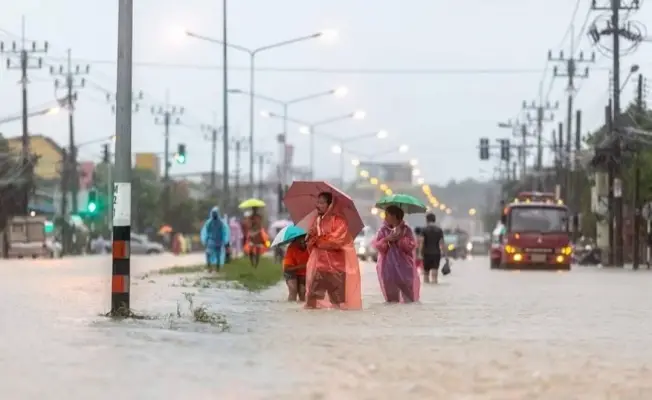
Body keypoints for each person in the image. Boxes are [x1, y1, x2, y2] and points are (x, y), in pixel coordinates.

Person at [305, 192, 362, 310]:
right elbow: (311, 244)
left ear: (330, 205)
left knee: (338, 304)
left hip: (337, 269)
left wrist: (318, 240)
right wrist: (310, 238)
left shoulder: (340, 222)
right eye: (318, 202)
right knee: (311, 301)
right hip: (320, 267)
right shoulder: (317, 221)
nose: (318, 205)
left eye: (321, 203)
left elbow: (336, 242)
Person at [372, 206, 420, 303]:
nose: (385, 217)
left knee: (409, 299)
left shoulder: (406, 230)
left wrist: (400, 239)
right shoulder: (383, 230)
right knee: (391, 300)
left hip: (405, 267)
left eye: (387, 215)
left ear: (395, 216)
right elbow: (377, 246)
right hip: (388, 268)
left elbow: (411, 246)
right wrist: (387, 239)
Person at [200, 206, 230, 272]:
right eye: (213, 213)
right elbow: (206, 232)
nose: (214, 214)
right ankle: (210, 268)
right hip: (212, 241)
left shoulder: (221, 223)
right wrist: (206, 240)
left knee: (217, 255)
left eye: (215, 213)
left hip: (218, 241)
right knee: (208, 254)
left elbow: (224, 232)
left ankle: (216, 269)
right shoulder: (210, 222)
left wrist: (224, 240)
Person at [282, 235, 309, 302]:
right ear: (296, 241)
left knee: (302, 292)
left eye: (305, 241)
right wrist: (302, 266)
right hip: (291, 271)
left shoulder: (311, 247)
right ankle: (290, 307)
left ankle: (302, 308)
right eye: (300, 241)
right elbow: (287, 269)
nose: (303, 243)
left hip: (304, 272)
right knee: (293, 289)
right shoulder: (291, 248)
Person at [419, 212, 444, 283]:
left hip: (426, 253)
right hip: (436, 253)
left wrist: (420, 253)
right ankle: (434, 283)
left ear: (427, 220)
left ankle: (427, 284)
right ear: (434, 220)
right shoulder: (439, 230)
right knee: (435, 270)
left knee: (426, 273)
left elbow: (422, 242)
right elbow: (441, 243)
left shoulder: (424, 230)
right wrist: (443, 253)